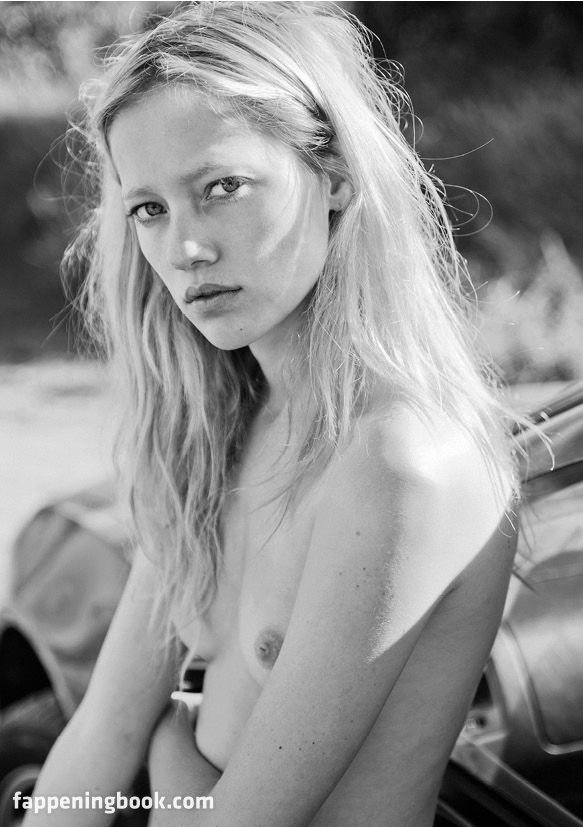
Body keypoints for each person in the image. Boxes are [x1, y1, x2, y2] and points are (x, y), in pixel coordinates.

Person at [24, 2, 520, 825]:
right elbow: (102, 734)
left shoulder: (401, 461)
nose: (186, 249)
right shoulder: (215, 431)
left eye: (222, 187)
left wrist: (173, 756)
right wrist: (160, 759)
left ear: (335, 177)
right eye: (150, 209)